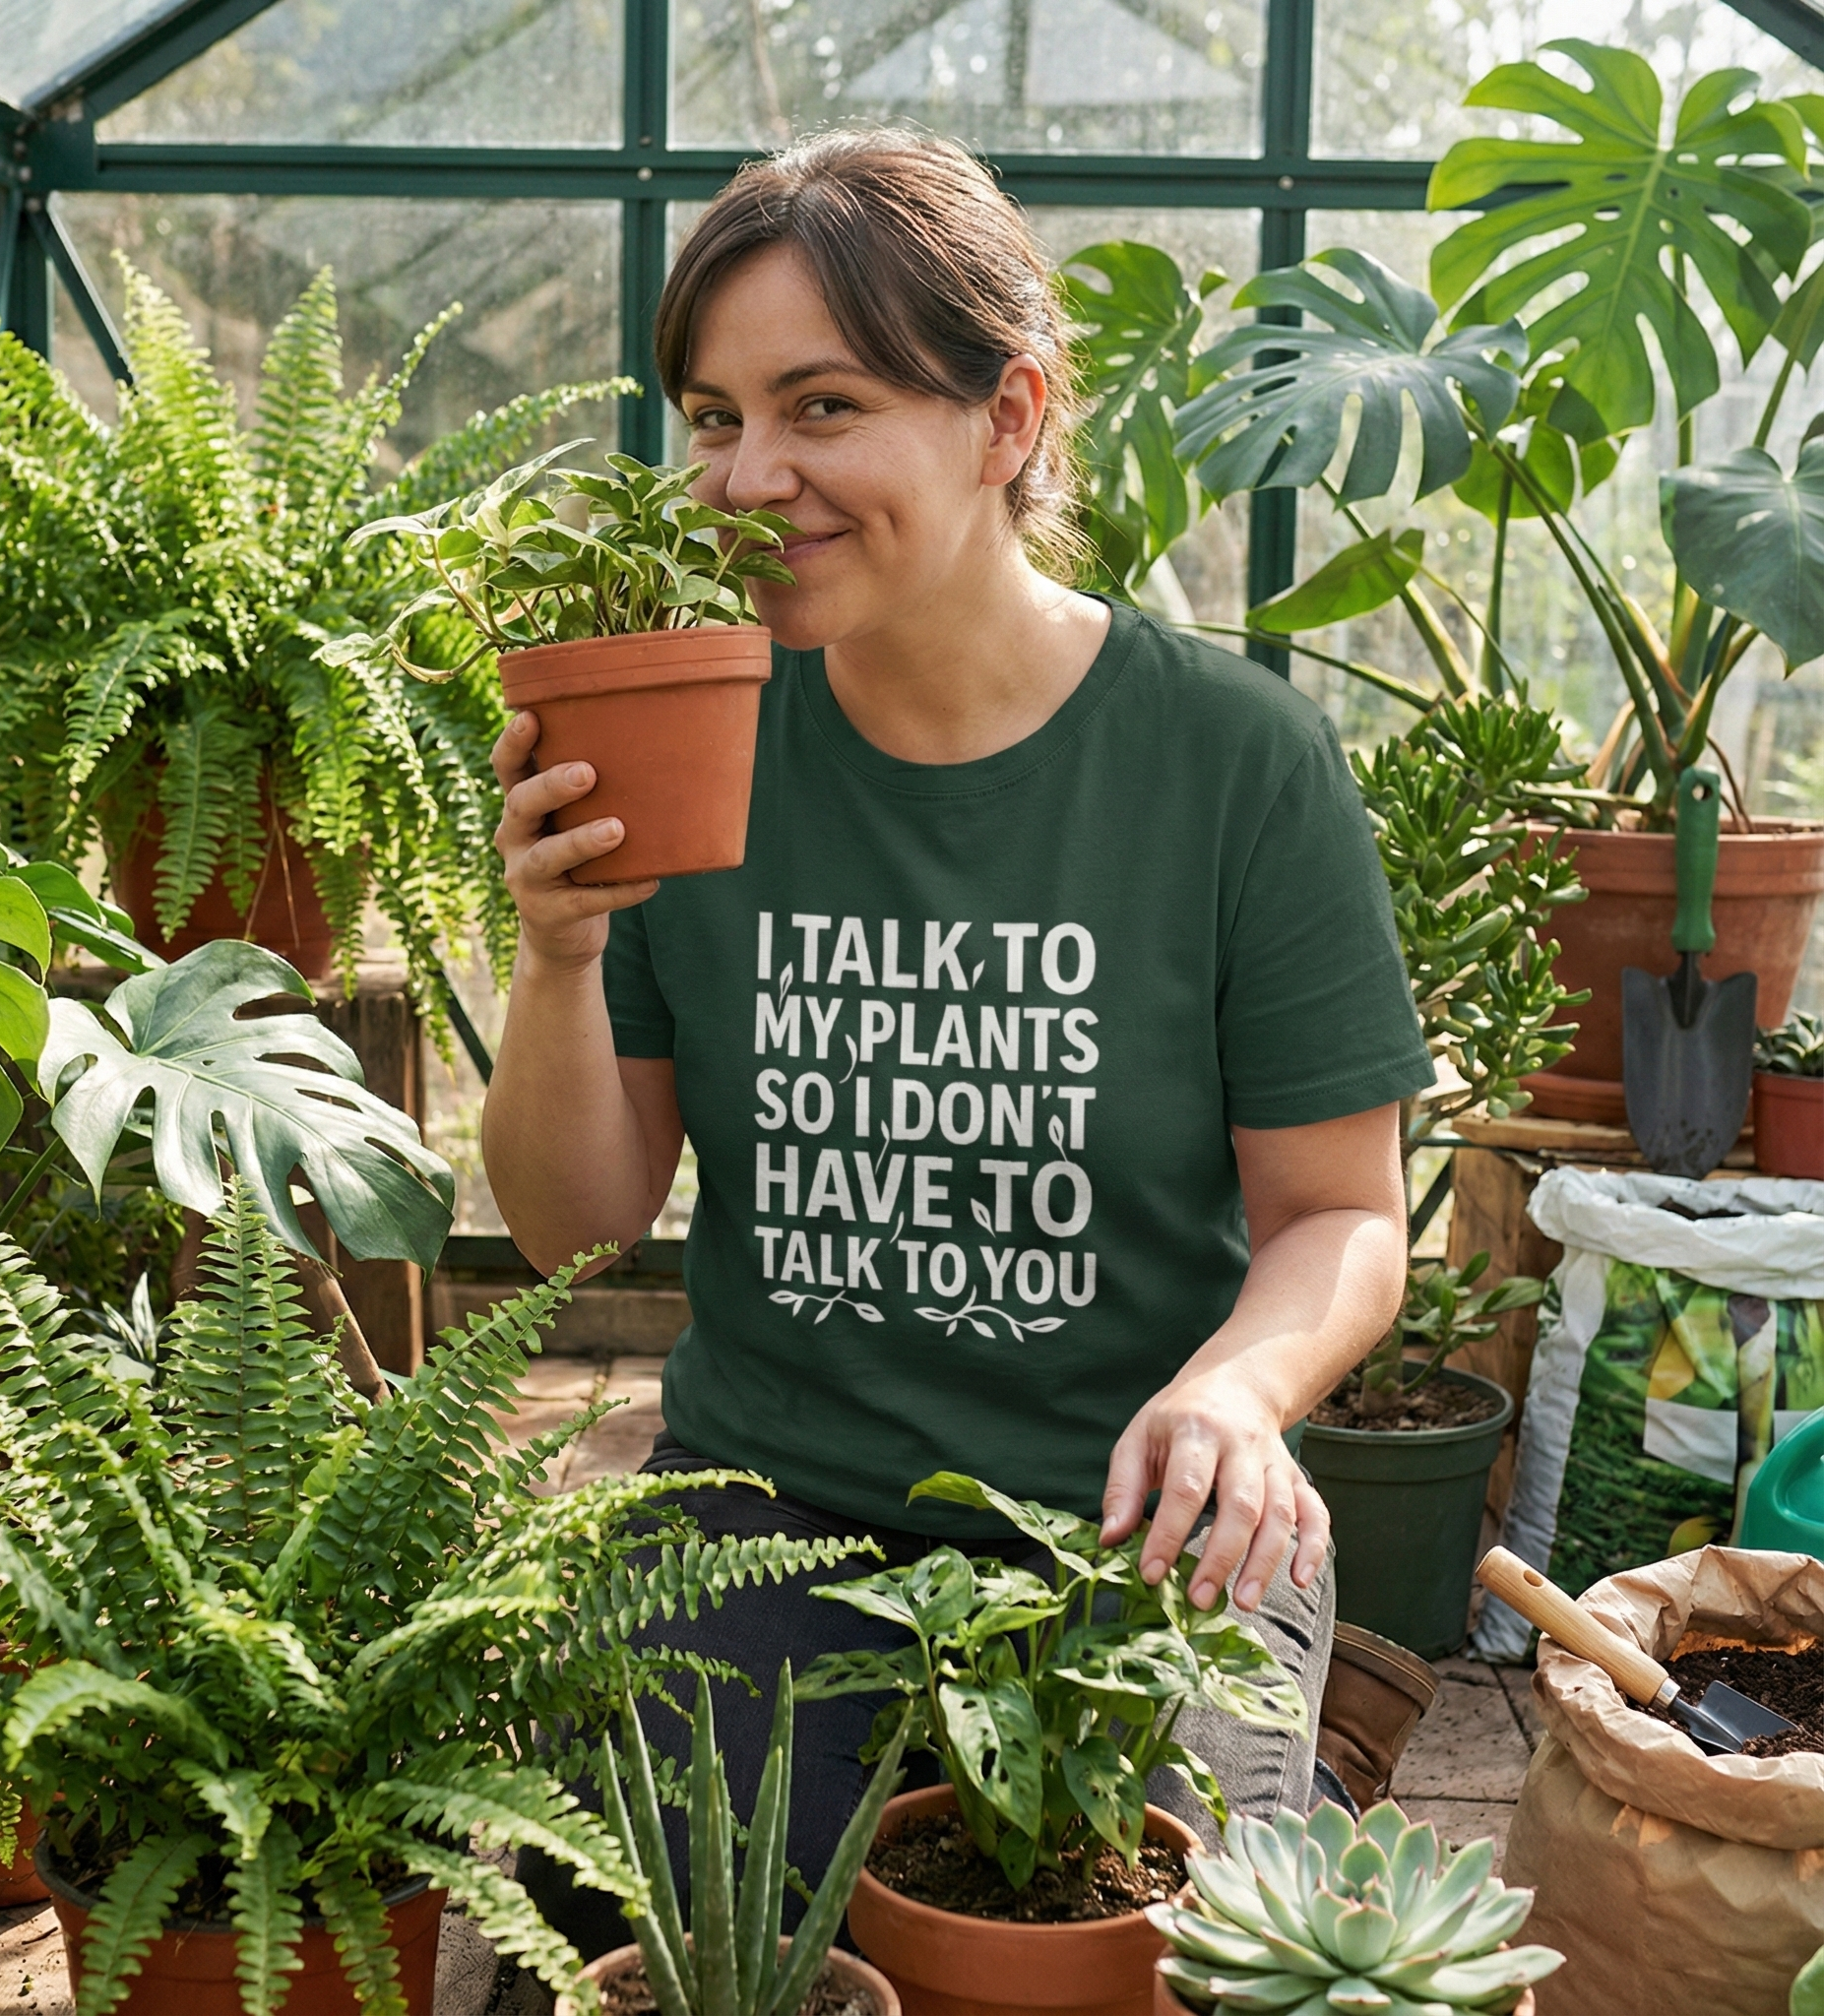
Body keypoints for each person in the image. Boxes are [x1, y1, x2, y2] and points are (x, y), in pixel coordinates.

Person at [482, 129, 1430, 1953]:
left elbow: (1340, 1214)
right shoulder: (687, 739)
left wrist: (1237, 1393)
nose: (751, 478)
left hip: (1137, 1527)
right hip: (770, 1517)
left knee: (1185, 1943)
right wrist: (554, 962)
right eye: (710, 417)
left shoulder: (1231, 765)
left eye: (822, 406)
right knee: (679, 1931)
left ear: (1010, 416)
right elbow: (572, 1235)